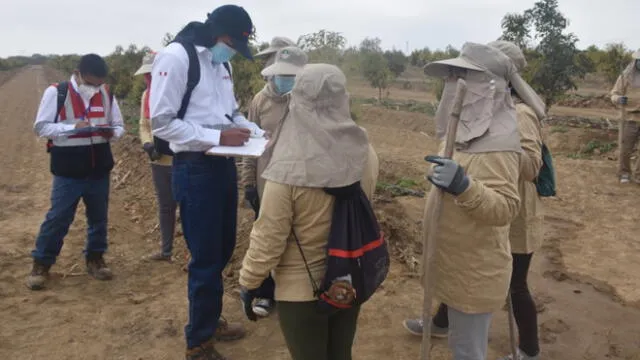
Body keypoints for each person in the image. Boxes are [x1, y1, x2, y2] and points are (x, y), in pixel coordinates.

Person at [402, 42, 546, 360]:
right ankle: (442, 322)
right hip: (459, 250)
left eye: (461, 75)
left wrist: (465, 183)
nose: (452, 83)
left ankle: (529, 348)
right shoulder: (465, 123)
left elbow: (510, 196)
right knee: (462, 331)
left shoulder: (511, 122)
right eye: (452, 76)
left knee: (508, 296)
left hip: (481, 248)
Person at [238, 64, 379, 360]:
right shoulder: (364, 151)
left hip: (301, 290)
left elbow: (269, 237)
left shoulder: (287, 167)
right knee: (341, 354)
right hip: (349, 278)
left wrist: (250, 282)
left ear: (296, 102)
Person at [150, 5, 266, 360]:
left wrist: (253, 130)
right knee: (205, 258)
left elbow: (230, 113)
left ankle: (211, 319)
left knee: (223, 249)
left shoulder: (222, 64)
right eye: (232, 45)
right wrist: (215, 138)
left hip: (221, 167)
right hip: (194, 167)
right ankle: (197, 342)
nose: (232, 53)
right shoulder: (177, 57)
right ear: (219, 35)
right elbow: (162, 122)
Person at [27, 54, 125, 290]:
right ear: (78, 74)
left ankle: (95, 259)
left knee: (99, 219)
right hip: (68, 171)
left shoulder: (106, 93)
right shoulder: (57, 93)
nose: (95, 87)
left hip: (99, 168)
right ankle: (41, 263)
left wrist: (112, 132)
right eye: (91, 83)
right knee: (58, 218)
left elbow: (120, 126)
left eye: (99, 83)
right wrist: (72, 127)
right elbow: (41, 127)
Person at [240, 45, 308, 317]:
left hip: (301, 184)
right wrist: (248, 184)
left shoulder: (307, 101)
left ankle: (296, 293)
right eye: (283, 74)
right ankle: (266, 293)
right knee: (266, 239)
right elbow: (250, 145)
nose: (286, 80)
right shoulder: (259, 101)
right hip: (268, 184)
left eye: (292, 75)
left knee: (298, 239)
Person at [135, 51, 178, 262]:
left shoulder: (177, 92)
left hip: (180, 159)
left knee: (188, 207)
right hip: (158, 161)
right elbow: (144, 125)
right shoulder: (147, 96)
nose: (149, 79)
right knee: (165, 206)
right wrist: (147, 144)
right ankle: (167, 250)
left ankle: (191, 253)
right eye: (147, 75)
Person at [610, 50, 640, 184]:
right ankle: (624, 173)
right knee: (625, 148)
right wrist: (618, 98)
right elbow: (614, 94)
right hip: (629, 117)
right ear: (635, 62)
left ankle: (639, 175)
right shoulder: (626, 76)